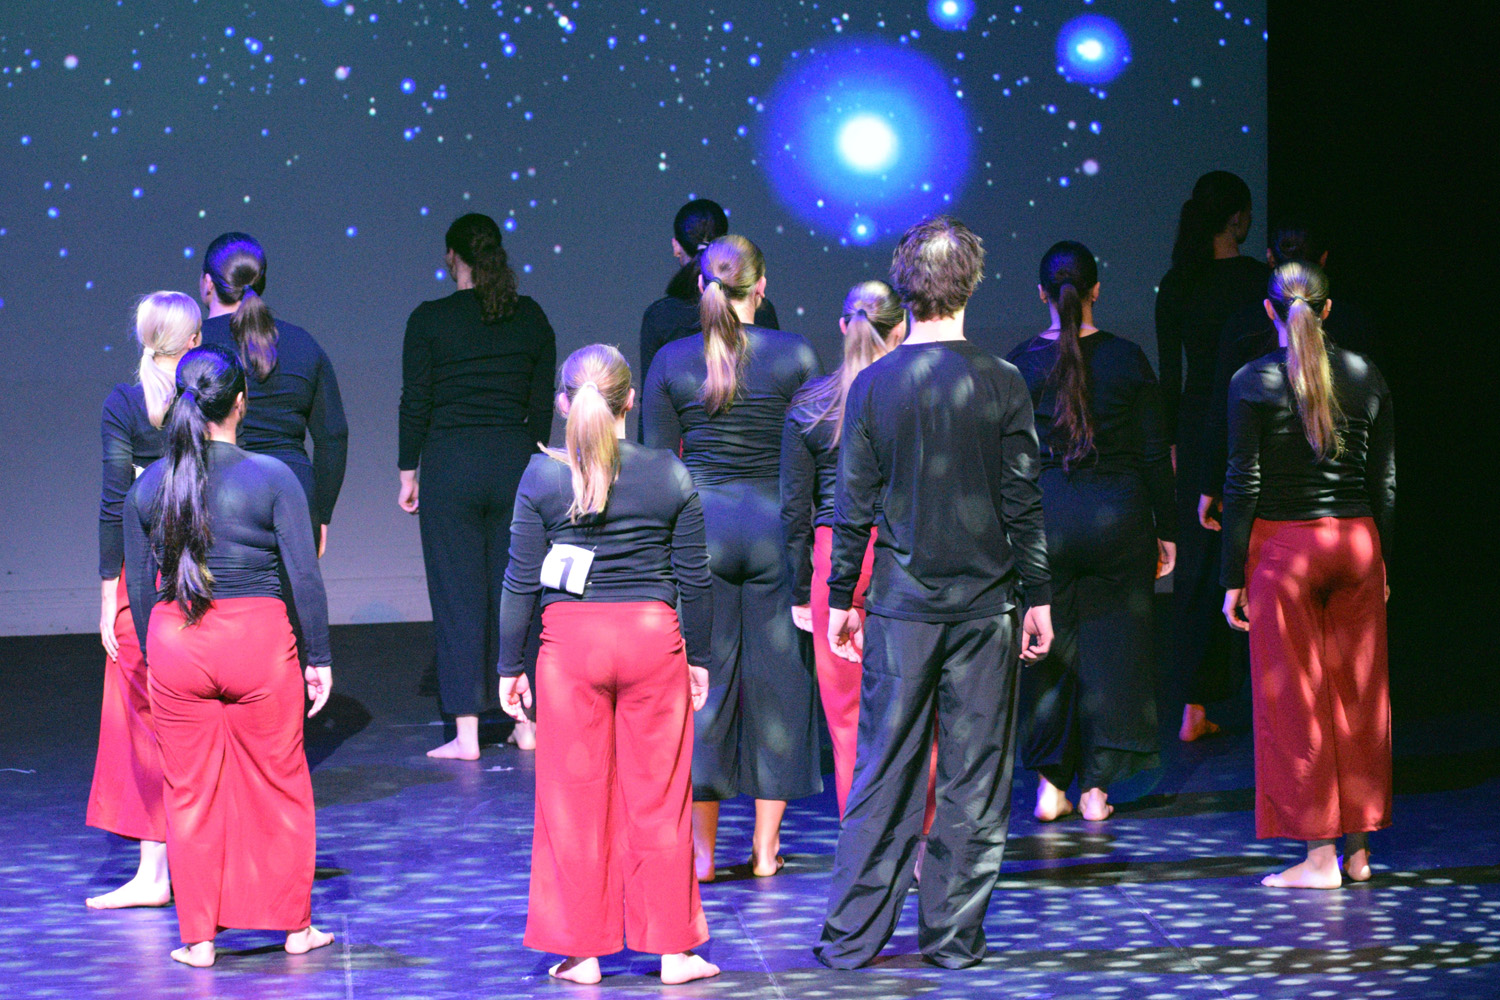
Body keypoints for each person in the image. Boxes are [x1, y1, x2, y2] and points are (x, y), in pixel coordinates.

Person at [815, 216, 1054, 970]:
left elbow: (852, 504)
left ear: (907, 287)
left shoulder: (875, 383)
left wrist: (841, 597)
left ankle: (851, 939)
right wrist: (1040, 595)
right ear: (971, 285)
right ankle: (952, 940)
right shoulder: (1002, 380)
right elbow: (1022, 501)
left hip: (902, 608)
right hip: (983, 609)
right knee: (973, 779)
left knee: (883, 771)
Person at [496, 345, 720, 986]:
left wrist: (509, 665)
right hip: (653, 642)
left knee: (572, 802)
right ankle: (673, 952)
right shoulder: (668, 472)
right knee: (660, 799)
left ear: (563, 402)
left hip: (571, 650)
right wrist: (700, 658)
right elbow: (694, 578)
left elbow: (520, 581)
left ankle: (582, 952)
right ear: (631, 402)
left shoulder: (542, 477)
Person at [123, 344, 335, 966]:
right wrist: (319, 656)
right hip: (257, 644)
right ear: (241, 403)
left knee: (187, 792)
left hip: (177, 642)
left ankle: (199, 939)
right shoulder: (273, 476)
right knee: (280, 783)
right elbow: (304, 577)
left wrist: (157, 660)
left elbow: (142, 591)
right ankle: (294, 928)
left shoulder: (149, 487)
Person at [642, 234, 822, 881]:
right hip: (775, 530)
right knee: (781, 687)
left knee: (704, 687)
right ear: (762, 287)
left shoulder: (671, 360)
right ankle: (767, 851)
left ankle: (701, 855)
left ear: (700, 286)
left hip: (704, 533)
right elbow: (813, 461)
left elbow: (659, 469)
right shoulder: (796, 354)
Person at [1221, 261, 1394, 889]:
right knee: (1360, 700)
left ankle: (1320, 859)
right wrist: (1383, 561)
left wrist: (1231, 577)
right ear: (1327, 310)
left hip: (1284, 551)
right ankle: (1359, 852)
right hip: (1356, 544)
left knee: (1297, 704)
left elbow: (1242, 484)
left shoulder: (1251, 381)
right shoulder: (1366, 373)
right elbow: (1385, 482)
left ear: (1269, 311)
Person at [1006, 242, 1176, 824]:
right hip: (1118, 518)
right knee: (1116, 653)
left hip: (1047, 519)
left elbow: (1009, 463)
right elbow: (1154, 455)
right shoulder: (1128, 359)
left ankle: (1049, 787)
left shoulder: (1020, 363)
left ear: (1041, 294)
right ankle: (1097, 790)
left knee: (1049, 648)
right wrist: (1168, 528)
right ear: (1096, 290)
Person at [398, 213, 557, 758]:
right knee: (519, 595)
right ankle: (525, 723)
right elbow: (540, 406)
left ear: (452, 256)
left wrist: (408, 472)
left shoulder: (430, 319)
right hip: (515, 465)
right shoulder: (530, 316)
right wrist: (532, 460)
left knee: (457, 596)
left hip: (450, 466)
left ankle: (467, 734)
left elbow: (416, 401)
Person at [779, 280, 925, 821]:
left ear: (843, 326)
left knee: (846, 719)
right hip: (903, 554)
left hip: (833, 558)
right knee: (917, 708)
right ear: (901, 327)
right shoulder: (918, 396)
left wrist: (800, 588)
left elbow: (794, 511)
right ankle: (921, 839)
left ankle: (862, 840)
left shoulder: (810, 405)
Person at [86, 291, 201, 910]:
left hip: (149, 576)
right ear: (193, 342)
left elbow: (114, 505)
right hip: (204, 568)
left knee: (142, 715)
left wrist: (109, 596)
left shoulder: (126, 403)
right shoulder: (204, 395)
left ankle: (157, 870)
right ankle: (197, 863)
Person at [1153, 172, 1270, 742]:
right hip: (1256, 420)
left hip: (1198, 428)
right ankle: (1272, 697)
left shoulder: (1178, 283)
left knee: (1197, 572)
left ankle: (1192, 708)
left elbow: (1170, 376)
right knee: (1264, 555)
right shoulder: (1258, 282)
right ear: (1238, 218)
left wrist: (1174, 447)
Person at [1196, 219, 1378, 536]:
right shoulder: (1356, 330)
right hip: (1346, 516)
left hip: (1272, 513)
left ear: (1270, 258)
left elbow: (1220, 416)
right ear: (1323, 259)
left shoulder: (1242, 327)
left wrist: (1210, 484)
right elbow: (1376, 443)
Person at [198, 232, 348, 549]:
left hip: (217, 497)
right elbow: (333, 436)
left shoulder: (193, 347)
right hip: (294, 495)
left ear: (208, 284)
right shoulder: (303, 343)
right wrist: (321, 513)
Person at [638, 198, 781, 417]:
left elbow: (652, 406)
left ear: (676, 246)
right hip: (759, 433)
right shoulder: (760, 308)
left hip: (687, 438)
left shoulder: (660, 316)